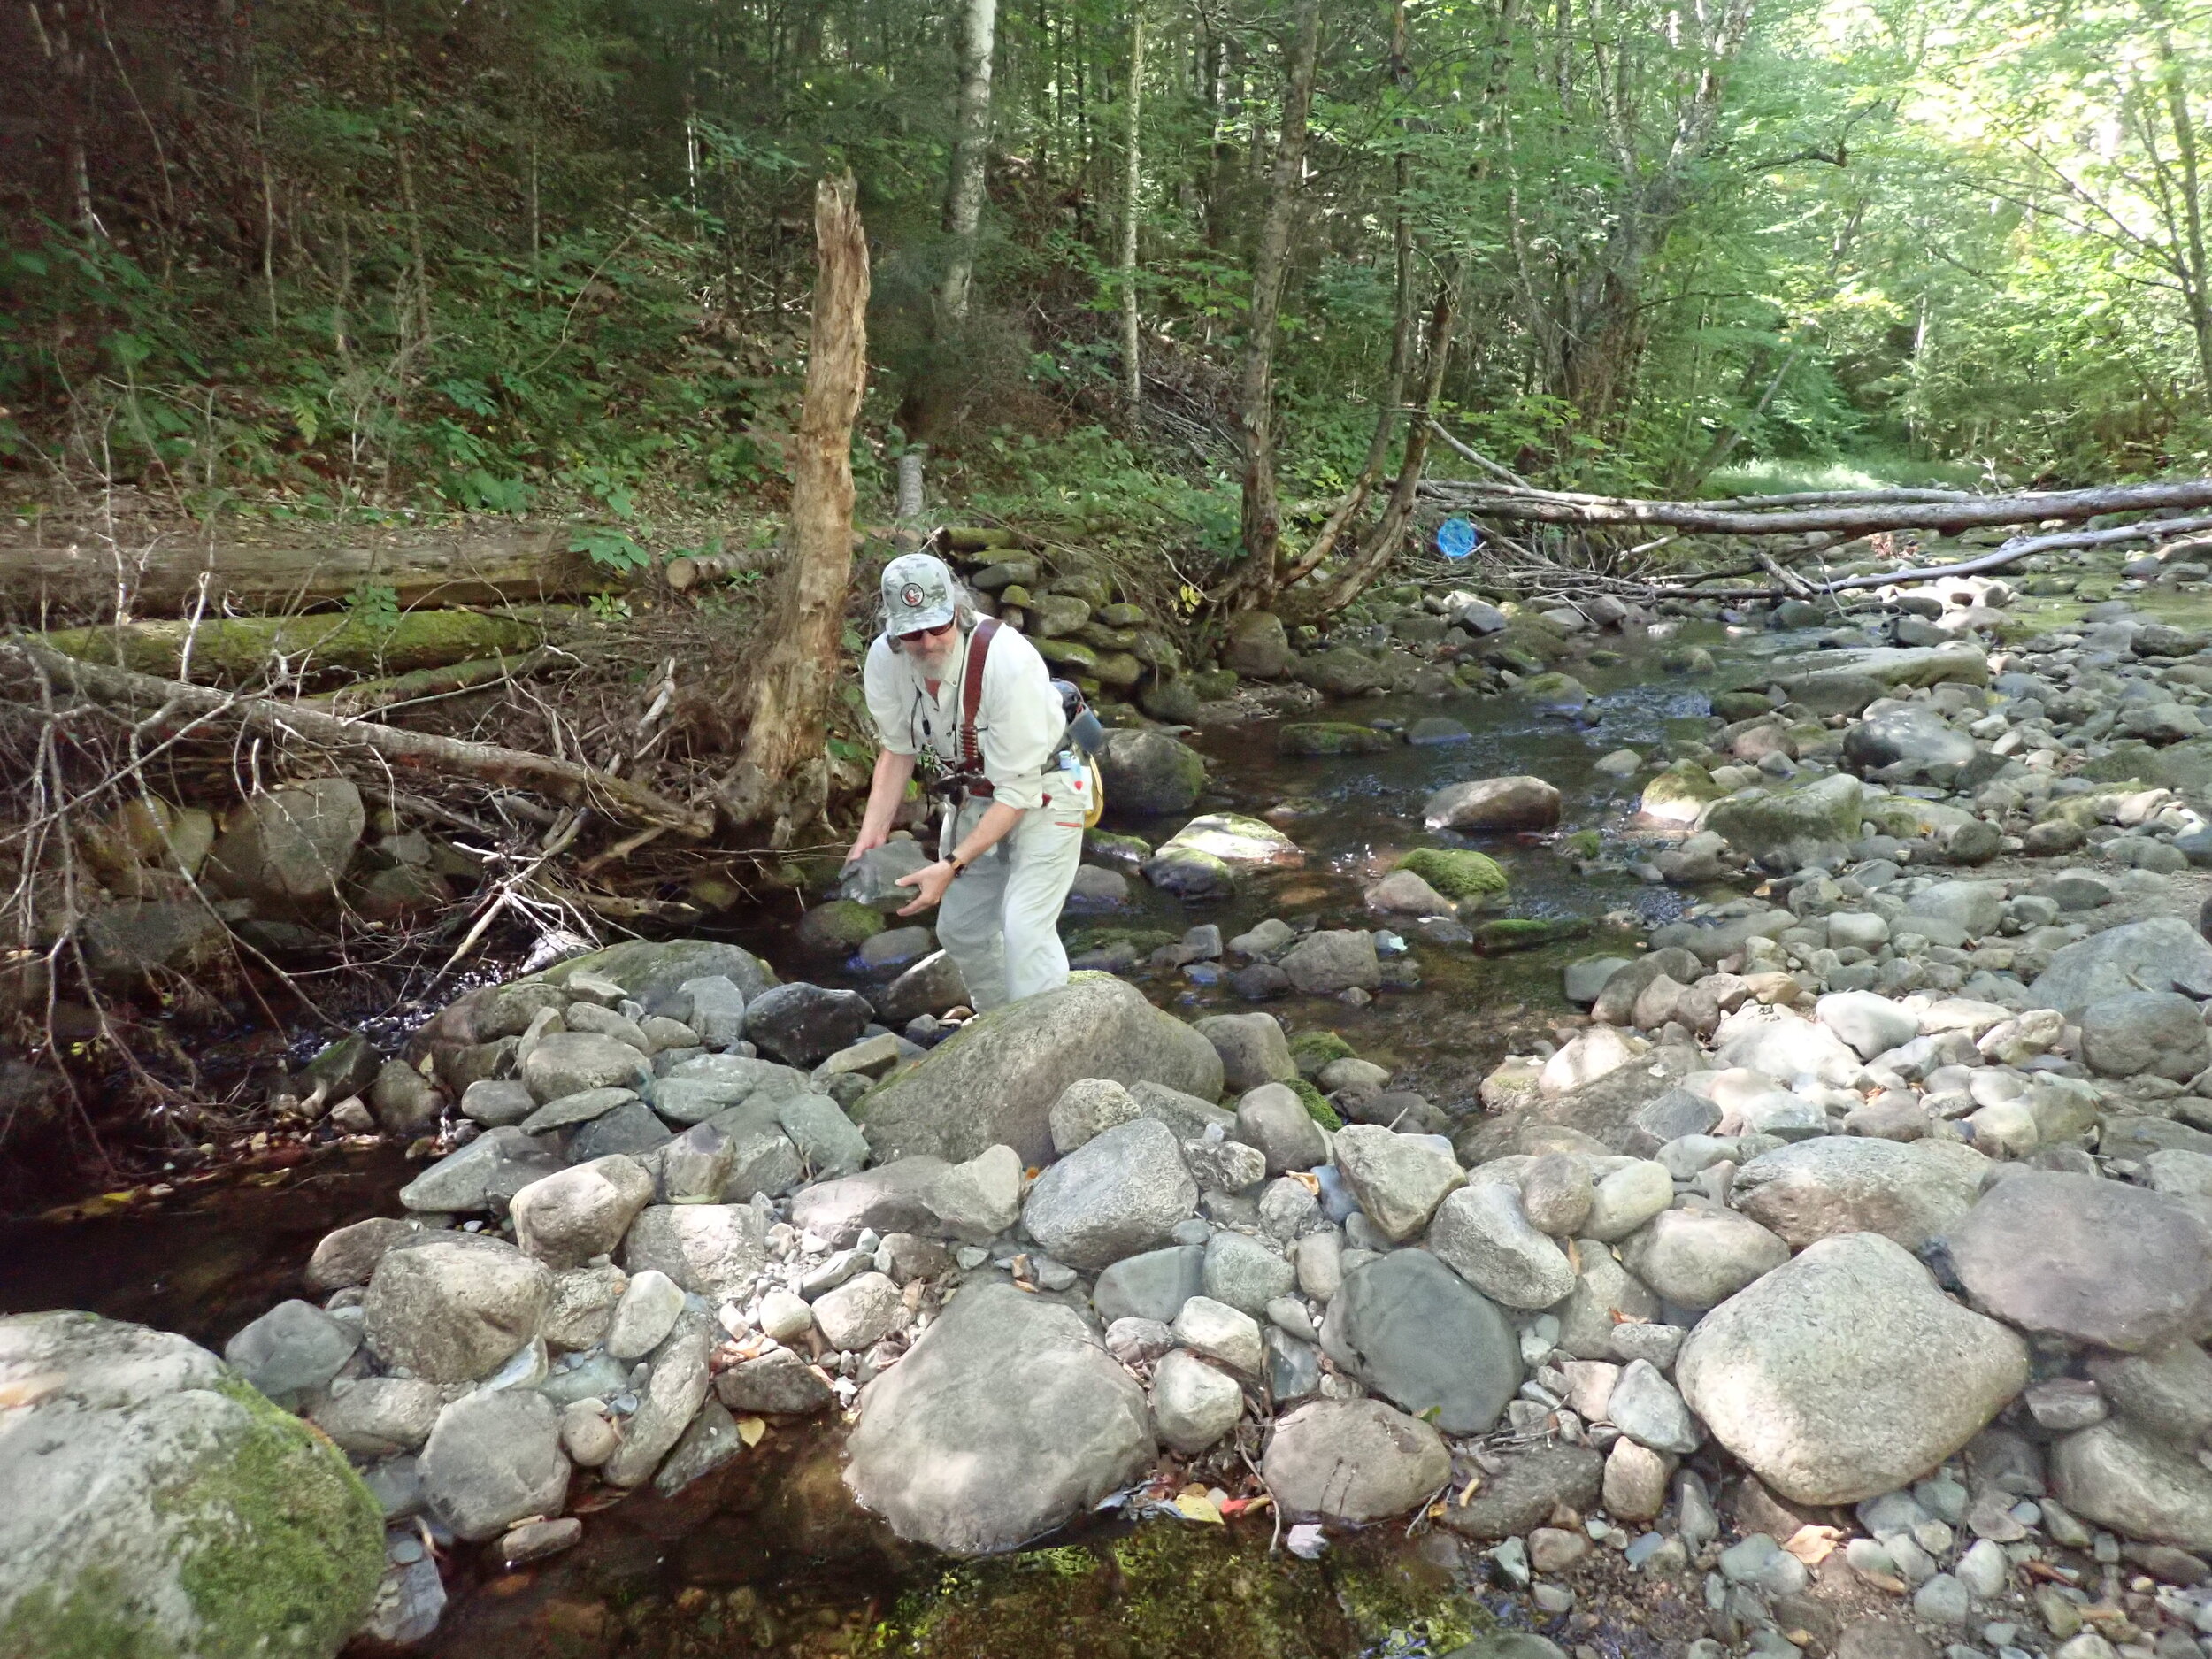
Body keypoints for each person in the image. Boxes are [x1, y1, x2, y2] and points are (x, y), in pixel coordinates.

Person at [846, 551, 1088, 1010]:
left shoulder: (1007, 660)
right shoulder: (885, 659)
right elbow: (898, 749)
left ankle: (1049, 1047)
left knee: (1025, 929)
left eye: (938, 627)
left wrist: (951, 864)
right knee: (961, 930)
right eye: (912, 633)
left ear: (958, 613)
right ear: (894, 631)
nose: (928, 643)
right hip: (976, 795)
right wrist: (871, 836)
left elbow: (1019, 792)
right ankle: (998, 1031)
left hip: (1047, 787)